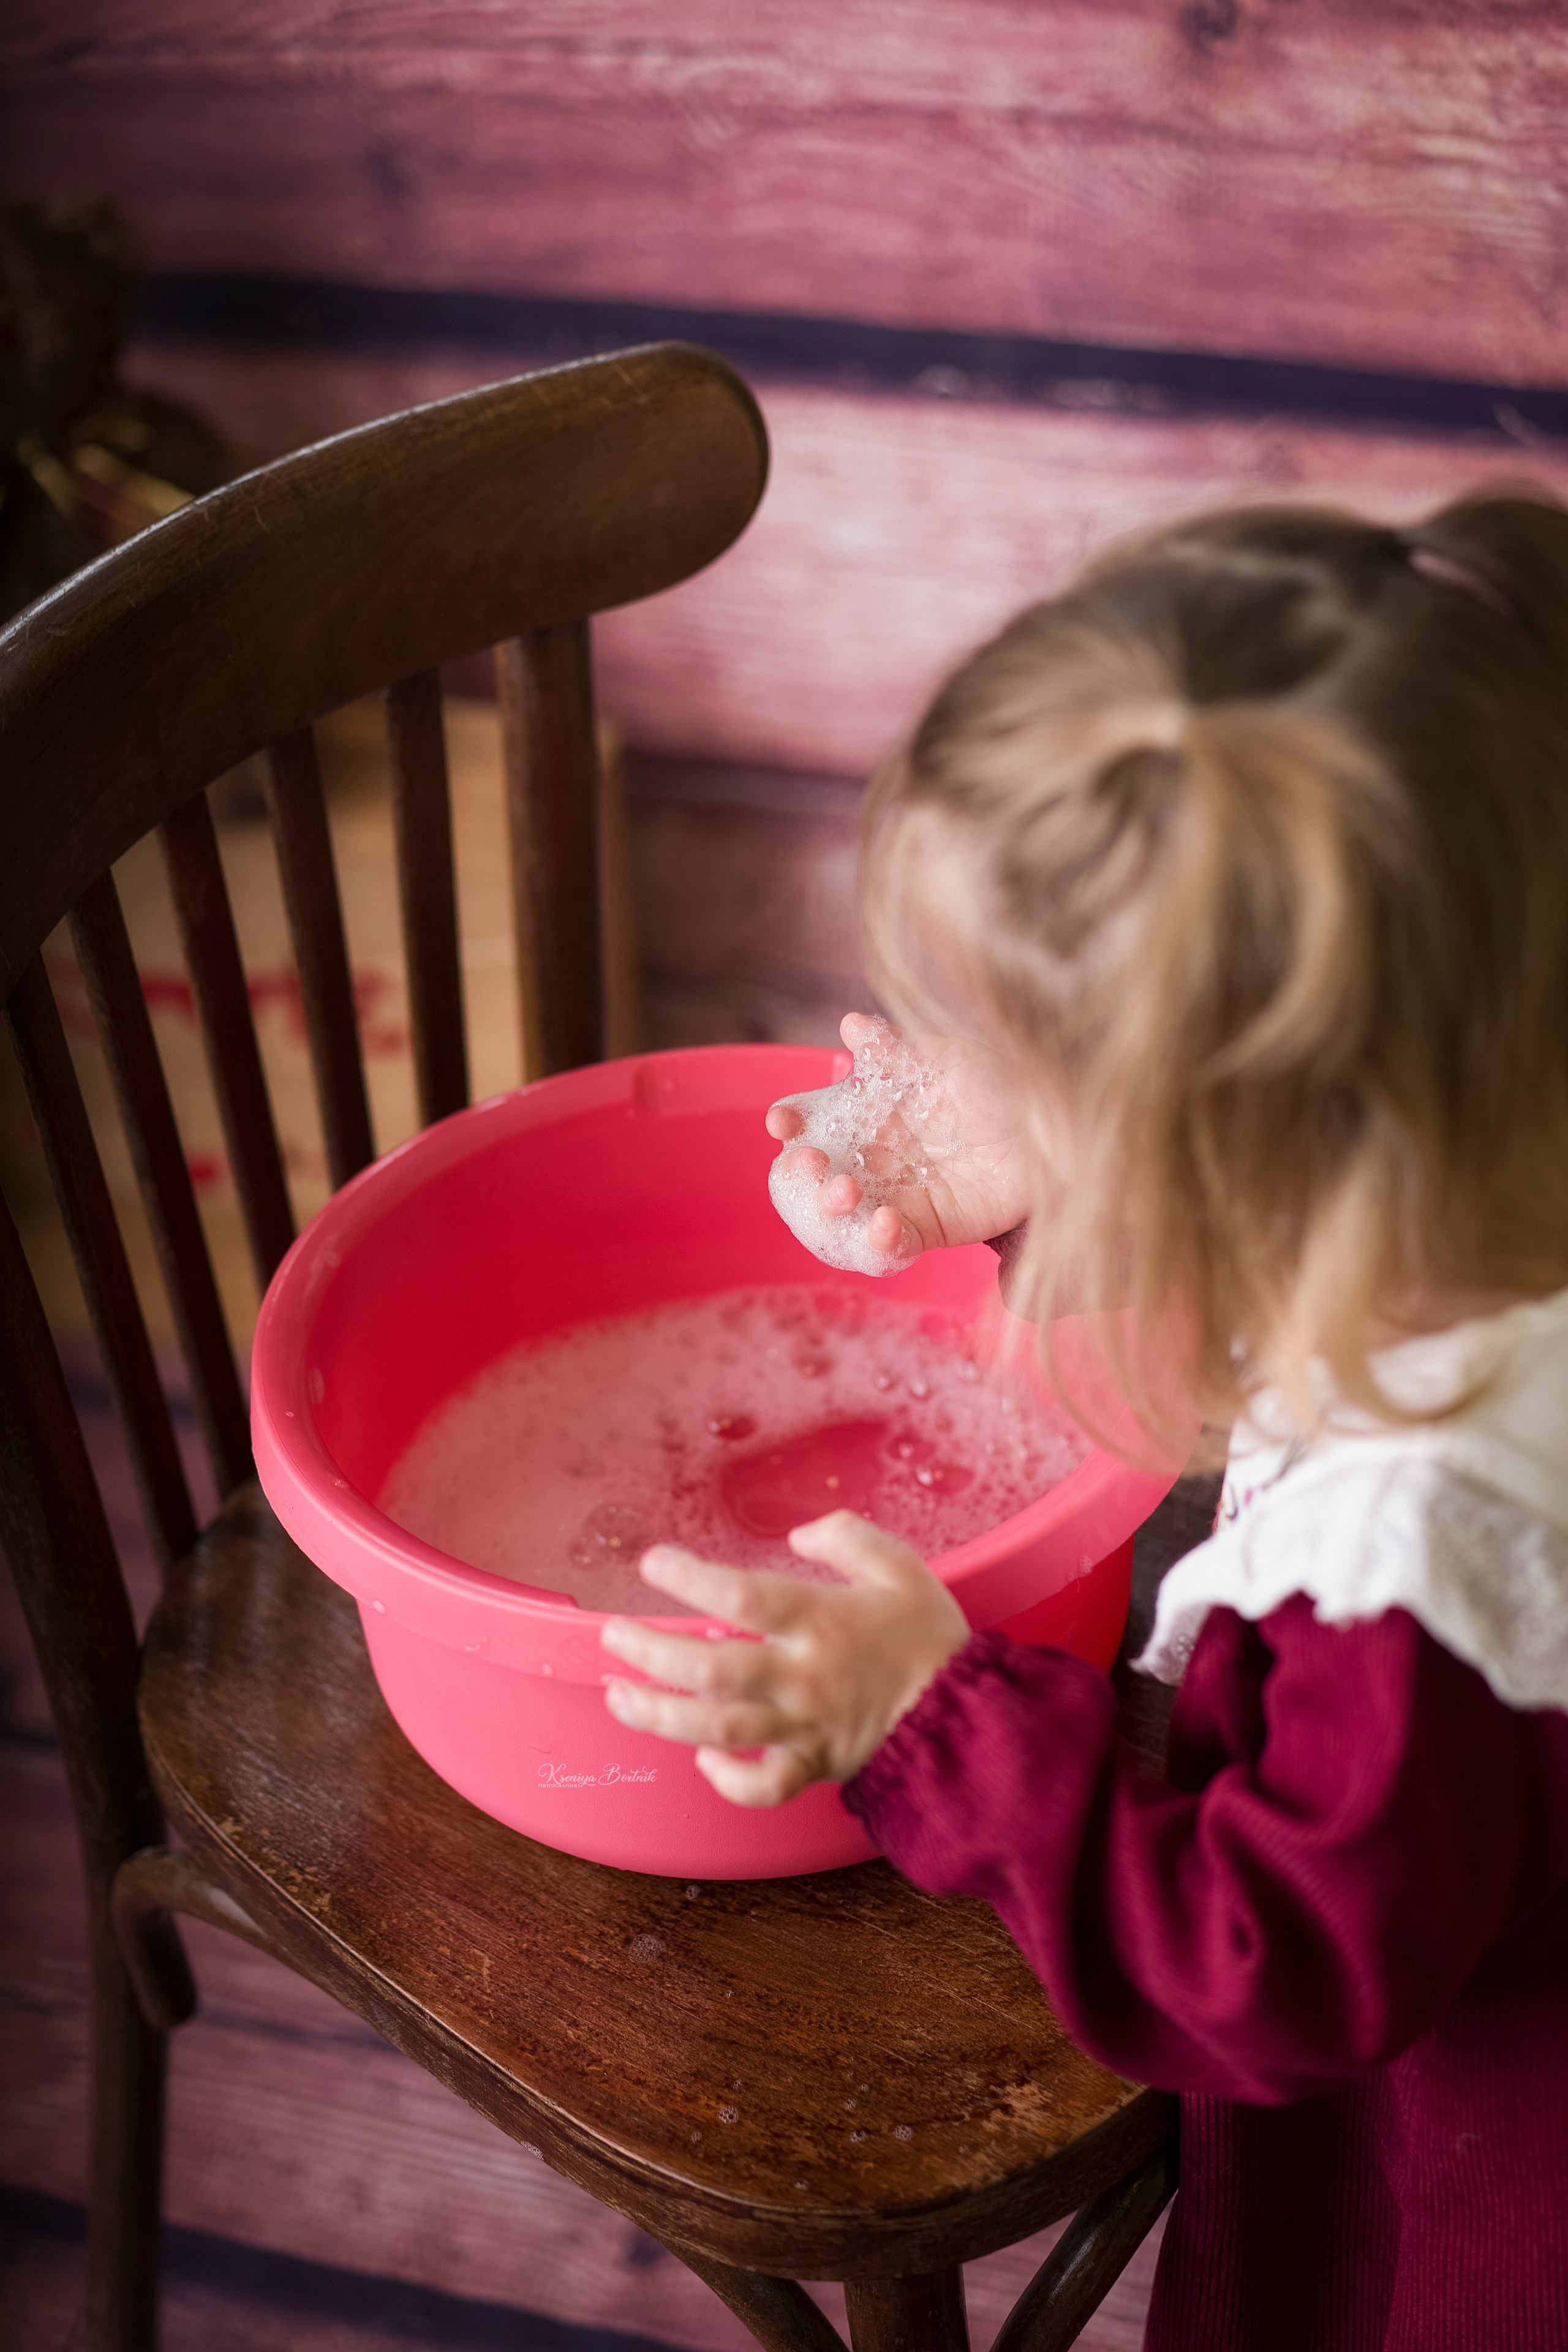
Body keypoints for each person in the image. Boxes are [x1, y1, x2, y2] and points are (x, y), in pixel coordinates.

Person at [600, 496, 1568, 2349]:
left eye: (1038, 1070)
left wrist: (936, 1718)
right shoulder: (1485, 1172)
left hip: (1466, 2217)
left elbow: (1266, 1970)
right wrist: (1033, 1177)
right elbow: (1277, 1315)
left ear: (1243, 1169)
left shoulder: (1428, 1577)